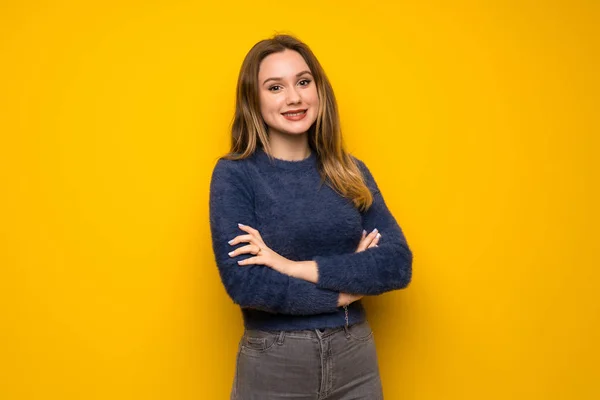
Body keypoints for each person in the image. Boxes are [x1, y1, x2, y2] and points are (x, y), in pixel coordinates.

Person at [208, 34, 413, 400]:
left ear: (319, 89)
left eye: (303, 82)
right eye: (275, 87)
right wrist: (345, 292)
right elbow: (249, 286)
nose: (294, 98)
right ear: (254, 100)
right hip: (276, 361)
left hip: (356, 358)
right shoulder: (236, 175)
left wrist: (290, 266)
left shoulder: (351, 172)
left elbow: (396, 264)